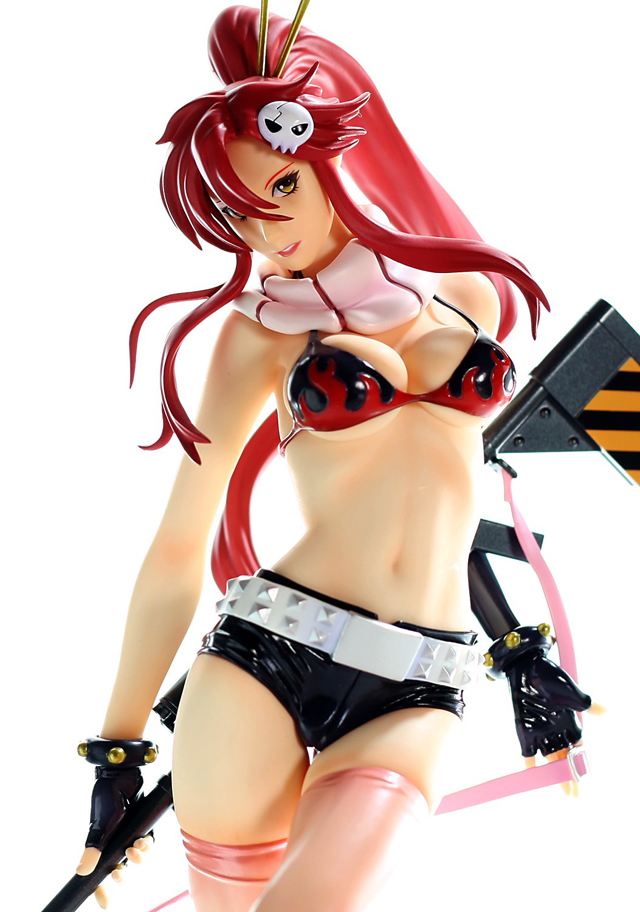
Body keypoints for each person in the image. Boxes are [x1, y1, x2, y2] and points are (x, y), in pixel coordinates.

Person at [75, 5, 592, 910]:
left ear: (328, 158)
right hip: (262, 661)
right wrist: (117, 750)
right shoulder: (256, 337)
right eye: (236, 213)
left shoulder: (465, 291)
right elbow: (178, 542)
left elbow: (447, 505)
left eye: (282, 186)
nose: (267, 233)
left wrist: (519, 648)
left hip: (421, 684)